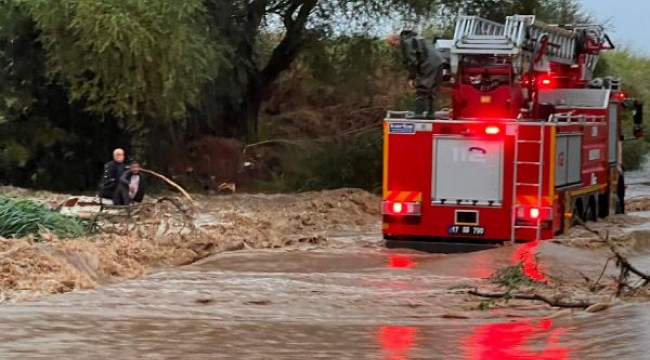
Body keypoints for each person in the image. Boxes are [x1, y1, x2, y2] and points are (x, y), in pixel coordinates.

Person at [387, 30, 446, 118]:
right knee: (431, 89)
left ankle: (419, 112)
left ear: (397, 40)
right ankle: (430, 113)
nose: (394, 47)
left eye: (393, 44)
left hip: (429, 63)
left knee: (423, 87)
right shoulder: (415, 38)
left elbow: (412, 61)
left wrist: (412, 77)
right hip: (438, 62)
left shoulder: (407, 43)